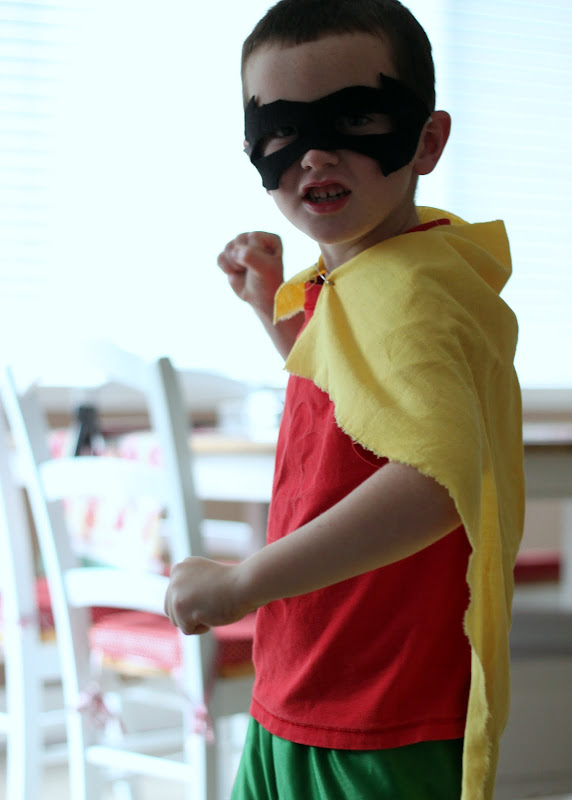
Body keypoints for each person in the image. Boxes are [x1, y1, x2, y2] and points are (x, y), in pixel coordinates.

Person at [165, 1, 525, 798]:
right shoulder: (369, 277)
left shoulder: (416, 296)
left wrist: (240, 584)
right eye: (284, 130)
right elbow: (363, 405)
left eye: (356, 117)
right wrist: (273, 312)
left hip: (377, 711)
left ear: (426, 140)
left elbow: (435, 482)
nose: (316, 153)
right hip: (309, 678)